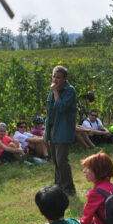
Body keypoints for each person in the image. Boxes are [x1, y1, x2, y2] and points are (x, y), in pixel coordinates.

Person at [44, 65, 77, 195]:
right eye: (54, 77)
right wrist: (46, 132)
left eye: (58, 77)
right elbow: (49, 112)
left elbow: (62, 107)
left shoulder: (69, 90)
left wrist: (56, 93)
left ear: (64, 79)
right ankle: (58, 186)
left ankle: (69, 189)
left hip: (63, 130)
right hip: (52, 129)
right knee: (55, 160)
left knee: (61, 160)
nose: (55, 80)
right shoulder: (53, 90)